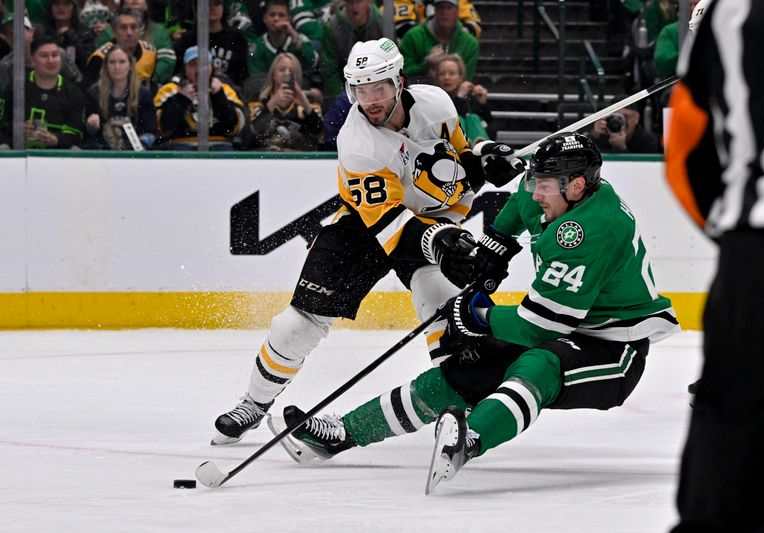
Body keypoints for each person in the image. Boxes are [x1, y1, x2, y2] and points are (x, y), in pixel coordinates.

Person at [277, 133, 680, 496]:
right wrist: (495, 246)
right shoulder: (555, 189)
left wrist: (478, 315)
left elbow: (541, 326)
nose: (535, 192)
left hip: (613, 349)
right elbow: (519, 205)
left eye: (544, 186)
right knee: (462, 371)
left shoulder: (591, 229)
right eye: (534, 181)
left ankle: (468, 440)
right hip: (567, 327)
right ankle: (342, 434)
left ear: (576, 185)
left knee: (540, 362)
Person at [209, 37, 523, 446]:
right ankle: (254, 402)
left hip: (435, 217)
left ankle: (456, 405)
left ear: (399, 82)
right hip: (366, 224)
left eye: (378, 88)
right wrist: (443, 241)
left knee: (445, 307)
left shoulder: (436, 104)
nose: (370, 100)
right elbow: (390, 224)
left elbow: (459, 153)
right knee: (296, 326)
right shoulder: (358, 143)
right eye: (360, 89)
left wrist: (486, 155)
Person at [664, 0, 764, 530]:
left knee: (728, 500)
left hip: (759, 265)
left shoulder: (729, 14)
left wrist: (743, 238)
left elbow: (686, 154)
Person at [0, 34, 86, 148]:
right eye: (44, 56)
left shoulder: (74, 93)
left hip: (58, 154)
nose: (51, 60)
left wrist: (55, 139)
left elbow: (77, 132)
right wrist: (17, 130)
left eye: (55, 55)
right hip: (18, 151)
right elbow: (2, 123)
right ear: (33, 59)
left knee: (76, 151)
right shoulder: (15, 87)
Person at [152, 45, 245, 150]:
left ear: (211, 67)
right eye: (193, 65)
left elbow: (235, 127)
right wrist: (182, 99)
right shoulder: (170, 90)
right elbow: (160, 127)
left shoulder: (225, 89)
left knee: (224, 153)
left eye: (204, 64)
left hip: (219, 143)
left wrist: (219, 97)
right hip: (179, 144)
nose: (200, 69)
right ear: (185, 69)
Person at [84, 44, 156, 149]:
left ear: (130, 65)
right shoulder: (93, 93)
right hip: (102, 154)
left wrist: (138, 148)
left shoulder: (143, 94)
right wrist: (90, 126)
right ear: (106, 66)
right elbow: (86, 135)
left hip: (135, 155)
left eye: (122, 62)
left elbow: (151, 130)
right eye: (112, 62)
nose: (117, 67)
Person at [248, 52, 322, 151]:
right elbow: (253, 131)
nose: (287, 74)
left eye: (292, 72)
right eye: (282, 70)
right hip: (265, 156)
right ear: (273, 74)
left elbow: (318, 132)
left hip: (299, 158)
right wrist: (272, 102)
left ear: (298, 76)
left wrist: (305, 104)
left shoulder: (308, 102)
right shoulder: (259, 99)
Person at [94, 0, 176, 84]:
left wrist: (149, 81)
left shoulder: (159, 32)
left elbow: (167, 61)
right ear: (123, 3)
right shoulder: (108, 33)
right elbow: (98, 64)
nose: (134, 0)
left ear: (147, 4)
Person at [173, 0, 249, 88]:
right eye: (207, 5)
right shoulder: (188, 39)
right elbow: (180, 71)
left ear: (223, 7)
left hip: (229, 91)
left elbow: (242, 74)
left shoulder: (236, 37)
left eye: (217, 4)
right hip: (194, 90)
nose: (213, 8)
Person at [399, 0, 479, 81]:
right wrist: (426, 63)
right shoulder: (412, 37)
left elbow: (466, 79)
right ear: (435, 10)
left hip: (455, 92)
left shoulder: (470, 43)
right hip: (420, 90)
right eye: (441, 7)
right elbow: (403, 73)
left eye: (449, 7)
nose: (444, 12)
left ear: (457, 11)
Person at [85, 7, 160, 89]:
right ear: (114, 31)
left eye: (133, 27)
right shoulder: (100, 58)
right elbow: (88, 94)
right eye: (124, 28)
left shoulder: (150, 53)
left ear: (140, 30)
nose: (129, 33)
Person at [319, 0, 382, 97]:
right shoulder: (331, 27)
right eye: (350, 2)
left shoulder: (382, 22)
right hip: (343, 84)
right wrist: (344, 96)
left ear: (369, 2)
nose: (354, 7)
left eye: (358, 2)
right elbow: (329, 69)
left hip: (377, 83)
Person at [247, 0, 317, 78]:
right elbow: (256, 78)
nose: (276, 19)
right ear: (264, 18)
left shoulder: (299, 39)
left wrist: (293, 34)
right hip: (268, 88)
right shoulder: (258, 46)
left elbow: (312, 62)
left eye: (281, 15)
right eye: (272, 15)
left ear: (289, 19)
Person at [434, 53, 491, 145]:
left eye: (452, 73)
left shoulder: (469, 95)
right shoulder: (432, 96)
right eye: (442, 73)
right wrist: (459, 97)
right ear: (437, 77)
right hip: (446, 144)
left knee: (473, 118)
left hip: (473, 148)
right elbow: (448, 115)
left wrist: (483, 103)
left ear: (461, 77)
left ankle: (480, 146)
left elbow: (487, 121)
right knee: (458, 119)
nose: (446, 77)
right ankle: (463, 144)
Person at [42, 0, 95, 77]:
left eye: (66, 4)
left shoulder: (85, 34)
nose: (60, 7)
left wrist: (70, 36)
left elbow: (86, 62)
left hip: (76, 80)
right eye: (56, 3)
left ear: (73, 8)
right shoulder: (43, 33)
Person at [587, 100, 660, 153]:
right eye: (615, 116)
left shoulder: (647, 140)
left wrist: (621, 149)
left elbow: (644, 168)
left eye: (625, 116)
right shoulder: (601, 134)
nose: (621, 122)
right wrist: (594, 136)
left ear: (636, 118)